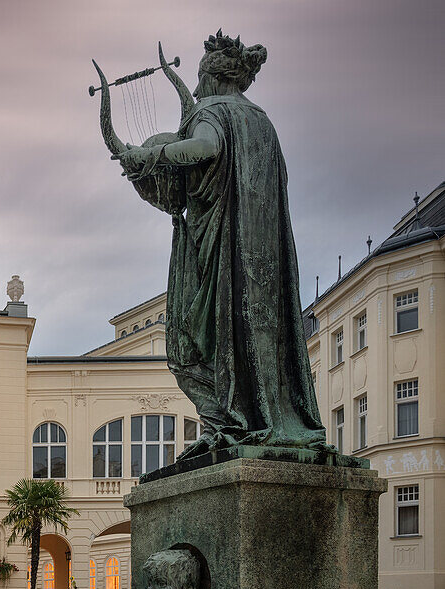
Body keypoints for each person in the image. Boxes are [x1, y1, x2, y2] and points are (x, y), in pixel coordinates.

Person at [116, 32, 327, 459]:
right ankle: (261, 417)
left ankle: (225, 421)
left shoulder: (211, 111)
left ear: (212, 78)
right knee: (257, 340)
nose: (194, 90)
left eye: (197, 80)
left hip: (222, 257)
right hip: (264, 258)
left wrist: (151, 156)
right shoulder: (263, 124)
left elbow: (207, 147)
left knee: (187, 348)